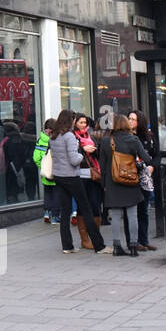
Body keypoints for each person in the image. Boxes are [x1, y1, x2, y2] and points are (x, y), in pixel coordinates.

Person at [49, 109, 108, 255]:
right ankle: (99, 246)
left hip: (58, 176)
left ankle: (67, 246)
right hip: (71, 176)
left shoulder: (53, 136)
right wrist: (83, 152)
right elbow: (74, 160)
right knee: (86, 209)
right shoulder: (69, 136)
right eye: (74, 119)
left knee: (66, 211)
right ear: (70, 120)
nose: (75, 122)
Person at [99, 114, 151, 256]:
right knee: (132, 214)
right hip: (130, 181)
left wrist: (104, 185)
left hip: (112, 182)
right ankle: (133, 246)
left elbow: (102, 167)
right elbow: (146, 159)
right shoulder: (133, 139)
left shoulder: (105, 141)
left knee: (115, 215)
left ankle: (117, 247)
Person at [128, 110, 159, 250]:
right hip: (131, 177)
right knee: (132, 210)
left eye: (133, 119)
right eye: (129, 118)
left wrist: (152, 166)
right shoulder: (127, 137)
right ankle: (134, 241)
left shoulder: (148, 137)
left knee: (144, 210)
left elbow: (156, 155)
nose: (130, 121)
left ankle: (144, 239)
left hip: (145, 177)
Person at [73, 113, 101, 250]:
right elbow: (71, 155)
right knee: (83, 207)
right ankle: (85, 239)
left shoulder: (91, 136)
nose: (84, 125)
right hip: (80, 175)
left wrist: (94, 150)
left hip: (94, 175)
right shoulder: (72, 137)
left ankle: (95, 236)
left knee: (95, 205)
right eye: (81, 123)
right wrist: (82, 149)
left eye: (85, 123)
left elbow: (99, 153)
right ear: (75, 123)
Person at [33, 118, 59, 223]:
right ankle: (55, 217)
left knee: (47, 193)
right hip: (56, 171)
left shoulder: (40, 140)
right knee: (57, 194)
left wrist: (43, 166)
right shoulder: (55, 140)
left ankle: (47, 214)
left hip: (45, 172)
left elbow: (36, 157)